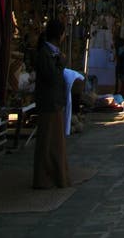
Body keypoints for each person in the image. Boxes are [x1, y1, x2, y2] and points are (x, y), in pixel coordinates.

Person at [33, 19, 71, 189]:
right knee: (48, 143)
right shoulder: (45, 53)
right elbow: (52, 77)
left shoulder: (51, 52)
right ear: (60, 35)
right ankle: (45, 178)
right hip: (49, 102)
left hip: (54, 102)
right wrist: (61, 64)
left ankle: (56, 176)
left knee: (55, 142)